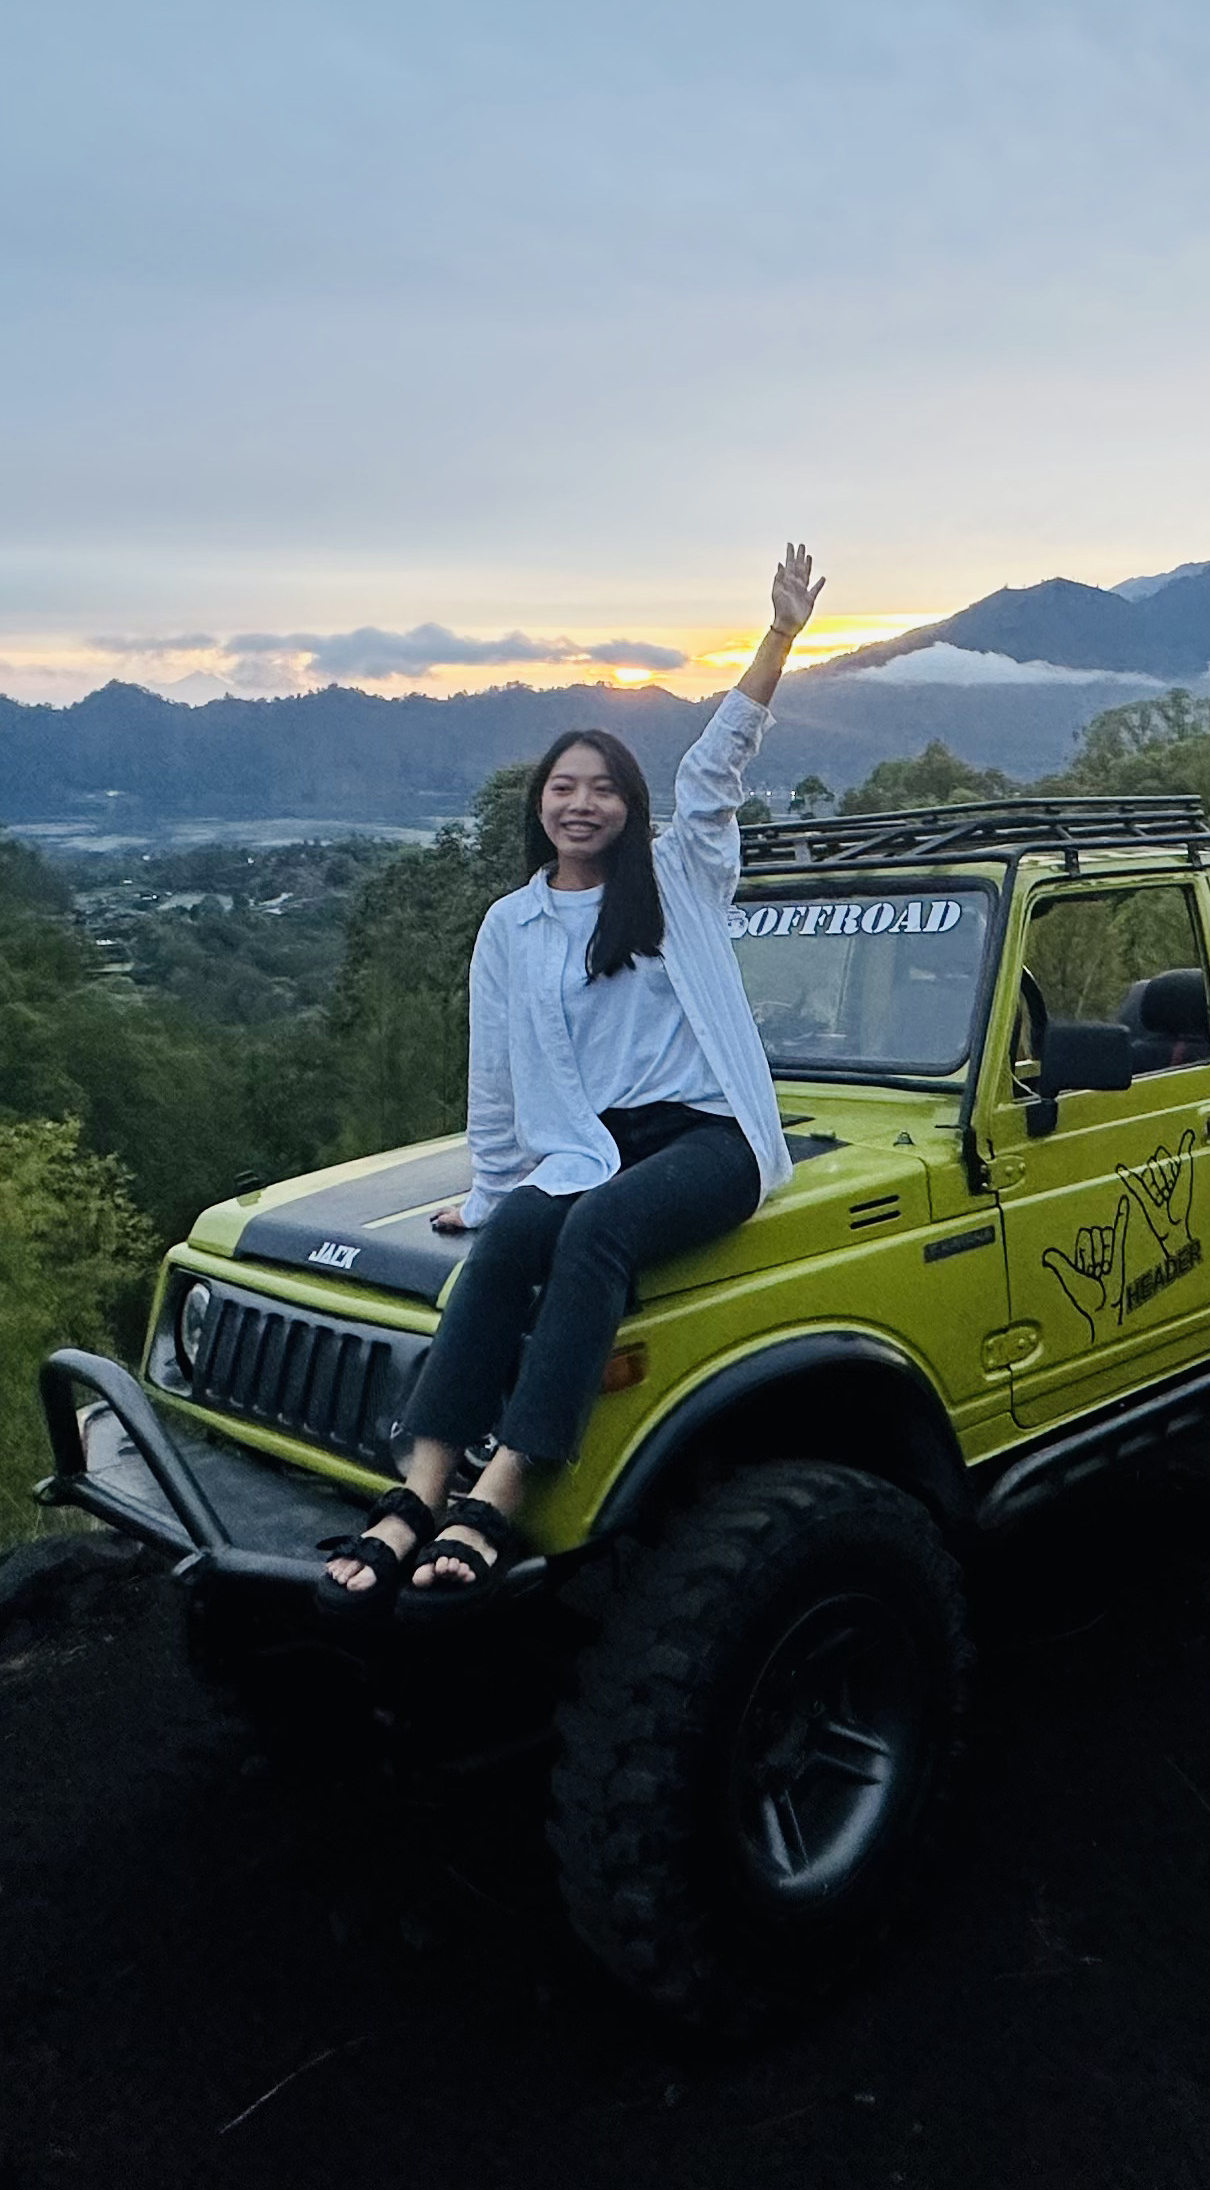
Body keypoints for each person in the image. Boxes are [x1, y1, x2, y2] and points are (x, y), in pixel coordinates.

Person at [317, 544, 821, 1616]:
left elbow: (718, 766)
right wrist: (496, 1193)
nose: (581, 804)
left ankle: (500, 1493)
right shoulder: (513, 925)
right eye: (563, 787)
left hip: (708, 1141)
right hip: (597, 1147)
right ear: (539, 805)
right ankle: (416, 1492)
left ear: (631, 807)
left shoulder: (682, 876)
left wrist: (778, 634)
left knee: (596, 1237)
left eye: (602, 789)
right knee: (507, 1246)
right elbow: (494, 1083)